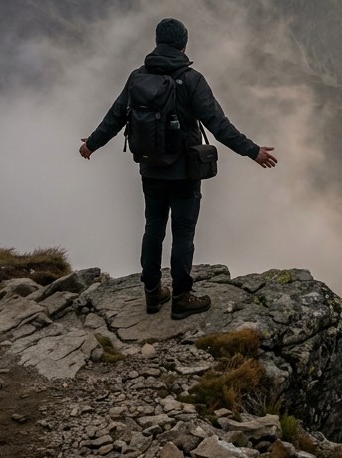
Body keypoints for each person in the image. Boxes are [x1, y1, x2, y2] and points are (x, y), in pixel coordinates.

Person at [79, 18, 277, 319]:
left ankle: (153, 293)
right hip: (185, 173)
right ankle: (182, 298)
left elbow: (116, 116)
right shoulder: (192, 80)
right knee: (183, 233)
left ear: (157, 42)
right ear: (184, 44)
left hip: (150, 169)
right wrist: (253, 151)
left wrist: (91, 144)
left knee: (153, 228)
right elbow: (218, 125)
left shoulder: (137, 77)